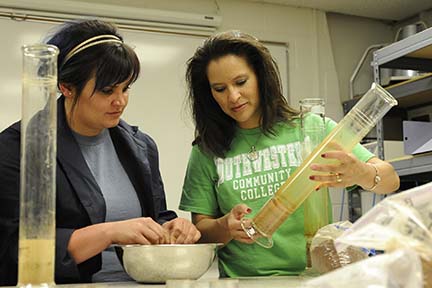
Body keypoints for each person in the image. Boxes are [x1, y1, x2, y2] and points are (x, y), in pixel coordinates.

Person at [179, 31, 400, 277]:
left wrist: (361, 172)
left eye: (241, 82)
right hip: (244, 283)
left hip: (315, 278)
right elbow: (201, 231)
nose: (233, 96)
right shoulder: (207, 149)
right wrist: (225, 226)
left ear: (261, 78)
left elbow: (390, 180)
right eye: (220, 88)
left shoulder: (312, 129)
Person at [0, 19, 200, 285]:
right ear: (66, 87)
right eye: (107, 91)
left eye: (125, 88)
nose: (120, 101)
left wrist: (172, 228)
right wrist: (107, 233)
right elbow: (13, 248)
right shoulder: (18, 148)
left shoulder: (142, 147)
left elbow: (157, 216)